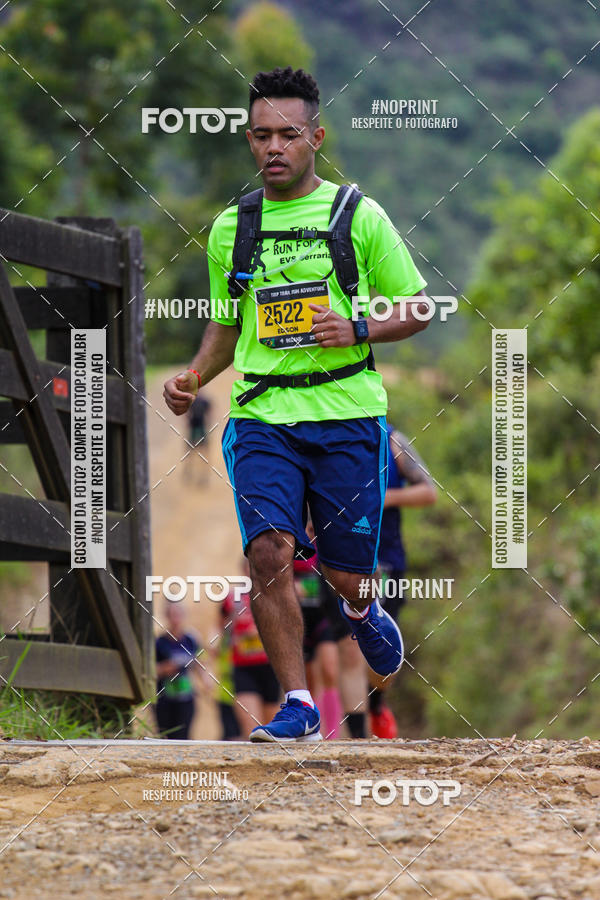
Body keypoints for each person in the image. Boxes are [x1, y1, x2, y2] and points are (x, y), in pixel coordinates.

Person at [163, 65, 431, 742]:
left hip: (346, 414)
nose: (273, 147)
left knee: (344, 574)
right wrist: (193, 378)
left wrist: (359, 328)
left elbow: (420, 307)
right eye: (260, 136)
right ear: (249, 142)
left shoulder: (358, 216)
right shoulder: (233, 228)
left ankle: (364, 613)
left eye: (287, 134)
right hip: (261, 415)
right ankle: (298, 705)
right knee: (270, 553)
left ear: (316, 136)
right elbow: (227, 327)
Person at [369, 426, 437, 738]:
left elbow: (428, 492)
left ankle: (376, 705)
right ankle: (349, 728)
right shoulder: (325, 432)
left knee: (383, 646)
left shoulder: (393, 442)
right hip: (338, 560)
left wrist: (381, 498)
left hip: (388, 562)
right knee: (341, 648)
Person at [221, 583, 281, 740]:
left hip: (271, 667)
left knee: (272, 729)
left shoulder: (274, 592)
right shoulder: (232, 597)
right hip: (243, 667)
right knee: (253, 728)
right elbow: (221, 630)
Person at [154, 602, 203, 740]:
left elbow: (199, 662)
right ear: (167, 617)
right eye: (172, 615)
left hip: (186, 697)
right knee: (165, 736)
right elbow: (152, 671)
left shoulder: (190, 640)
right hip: (164, 699)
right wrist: (165, 668)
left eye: (178, 615)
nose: (175, 619)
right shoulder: (159, 642)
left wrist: (205, 681)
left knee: (184, 736)